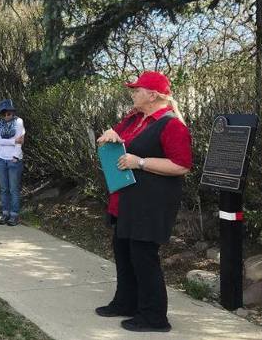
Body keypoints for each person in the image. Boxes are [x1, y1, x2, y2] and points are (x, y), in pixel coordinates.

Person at [94, 71, 192, 333]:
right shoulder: (135, 117)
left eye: (137, 90)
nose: (133, 94)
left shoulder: (172, 124)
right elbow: (116, 134)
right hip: (126, 201)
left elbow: (181, 165)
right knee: (124, 253)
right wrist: (110, 134)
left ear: (152, 94)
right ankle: (125, 303)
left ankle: (154, 317)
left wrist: (140, 162)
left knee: (143, 258)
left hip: (150, 205)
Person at [0, 99, 25, 227]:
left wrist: (15, 156)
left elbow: (20, 141)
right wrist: (14, 141)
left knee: (14, 189)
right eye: (4, 114)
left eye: (9, 113)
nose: (7, 116)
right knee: (4, 188)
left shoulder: (18, 121)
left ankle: (14, 215)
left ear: (13, 112)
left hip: (14, 159)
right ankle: (5, 213)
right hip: (1, 158)